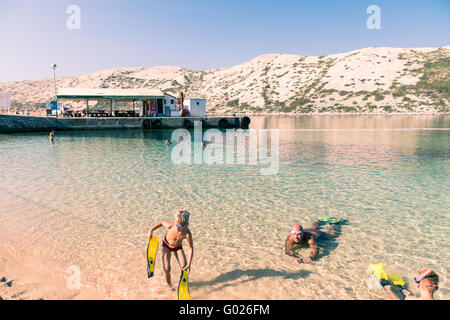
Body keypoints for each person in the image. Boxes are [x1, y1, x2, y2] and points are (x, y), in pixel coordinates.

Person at [148, 210, 194, 288]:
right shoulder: (171, 226)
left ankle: (182, 285)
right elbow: (161, 222)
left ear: (187, 225)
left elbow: (190, 248)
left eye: (180, 227)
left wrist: (189, 264)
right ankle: (169, 285)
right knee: (167, 268)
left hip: (178, 247)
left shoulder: (187, 234)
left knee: (184, 267)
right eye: (176, 225)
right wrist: (151, 230)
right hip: (166, 246)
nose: (178, 228)